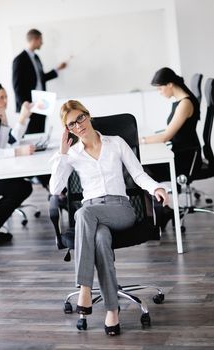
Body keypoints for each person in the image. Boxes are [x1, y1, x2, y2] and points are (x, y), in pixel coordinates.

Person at [49, 100, 168, 335]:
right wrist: (62, 153)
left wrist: (156, 188)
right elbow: (55, 189)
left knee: (83, 213)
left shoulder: (116, 143)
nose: (78, 126)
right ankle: (112, 311)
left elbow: (138, 174)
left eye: (80, 118)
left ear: (88, 115)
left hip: (120, 209)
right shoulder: (71, 154)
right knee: (101, 239)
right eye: (71, 124)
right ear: (67, 129)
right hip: (93, 217)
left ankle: (84, 286)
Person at [139, 67, 202, 230]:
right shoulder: (180, 102)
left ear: (170, 84)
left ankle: (159, 213)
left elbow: (166, 136)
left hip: (186, 159)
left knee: (141, 171)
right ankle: (161, 211)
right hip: (180, 153)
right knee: (141, 171)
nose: (159, 92)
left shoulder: (185, 104)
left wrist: (140, 140)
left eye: (160, 88)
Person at [0, 79, 35, 245]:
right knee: (21, 187)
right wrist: (17, 152)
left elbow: (5, 142)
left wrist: (7, 122)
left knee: (22, 186)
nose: (1, 101)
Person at [12, 28, 67, 134]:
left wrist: (57, 69)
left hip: (41, 103)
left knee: (40, 133)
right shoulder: (19, 60)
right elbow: (17, 86)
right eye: (41, 40)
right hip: (29, 106)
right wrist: (25, 106)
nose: (42, 43)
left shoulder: (36, 57)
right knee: (31, 135)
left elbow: (41, 78)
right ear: (35, 39)